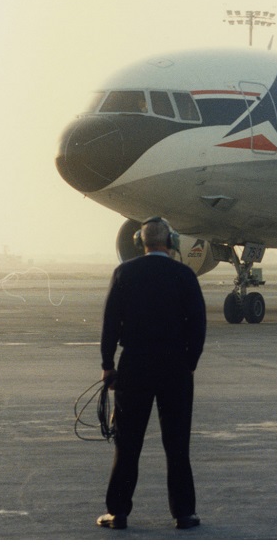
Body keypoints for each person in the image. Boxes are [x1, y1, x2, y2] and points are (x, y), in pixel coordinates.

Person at [96, 217, 207, 530]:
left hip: (135, 365)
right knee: (177, 445)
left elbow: (110, 324)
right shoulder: (184, 275)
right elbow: (198, 324)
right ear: (170, 241)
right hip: (175, 367)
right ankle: (183, 514)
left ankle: (118, 513)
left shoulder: (124, 273)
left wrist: (108, 365)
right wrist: (190, 362)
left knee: (127, 444)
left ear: (138, 242)